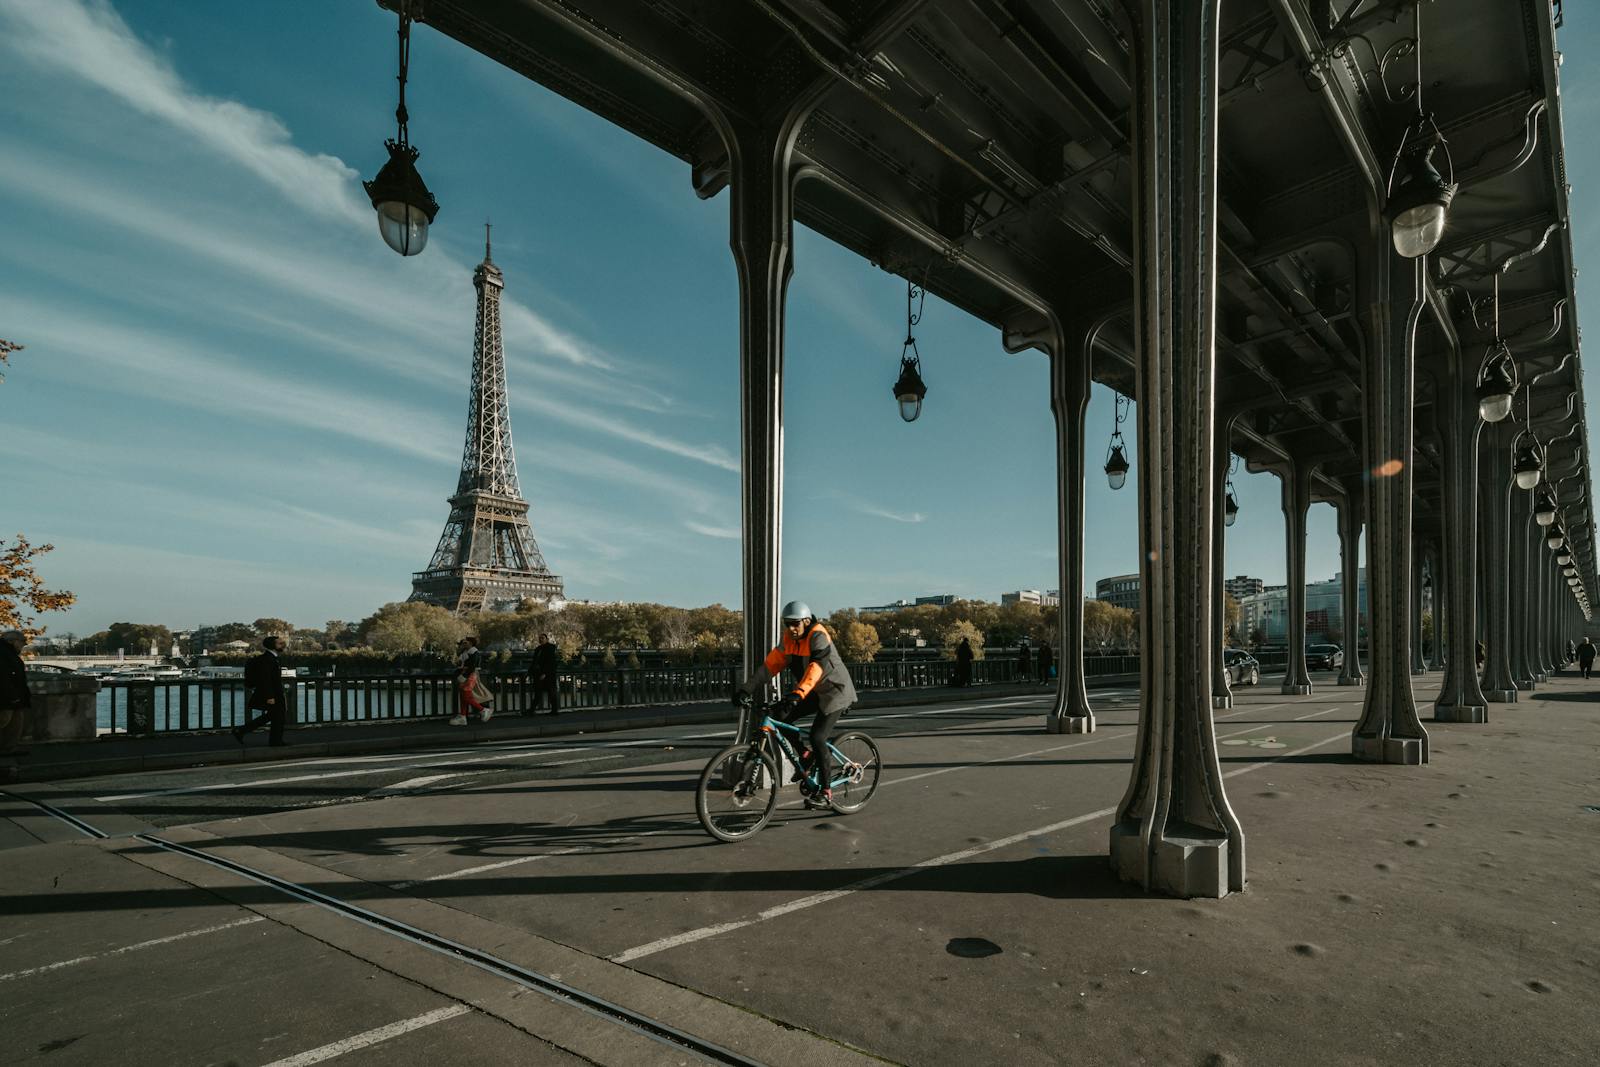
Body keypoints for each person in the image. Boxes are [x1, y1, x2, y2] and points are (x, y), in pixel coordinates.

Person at [735, 601, 857, 809]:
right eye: (786, 624)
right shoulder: (789, 639)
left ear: (806, 621)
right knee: (780, 716)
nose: (791, 628)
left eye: (795, 624)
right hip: (812, 690)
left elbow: (815, 668)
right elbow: (770, 666)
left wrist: (797, 694)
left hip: (835, 690)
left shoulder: (818, 636)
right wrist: (747, 687)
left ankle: (826, 791)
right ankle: (805, 755)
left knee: (818, 736)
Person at [234, 635, 290, 746]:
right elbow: (266, 679)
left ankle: (242, 731)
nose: (282, 645)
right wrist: (270, 696)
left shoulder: (269, 658)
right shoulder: (269, 659)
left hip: (274, 693)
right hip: (273, 694)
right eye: (279, 643)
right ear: (272, 646)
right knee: (278, 716)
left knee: (274, 715)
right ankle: (275, 741)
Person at [1, 630, 31, 769]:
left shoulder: (9, 654)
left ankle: (8, 749)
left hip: (14, 697)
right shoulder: (5, 654)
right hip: (8, 698)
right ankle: (7, 749)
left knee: (14, 724)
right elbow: (5, 678)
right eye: (21, 643)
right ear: (12, 641)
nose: (22, 647)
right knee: (6, 722)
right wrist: (13, 696)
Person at [450, 635, 492, 725]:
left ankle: (483, 710)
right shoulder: (465, 652)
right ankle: (463, 716)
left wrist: (463, 676)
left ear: (471, 643)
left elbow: (472, 667)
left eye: (465, 643)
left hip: (470, 675)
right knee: (463, 694)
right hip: (466, 674)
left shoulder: (474, 653)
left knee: (465, 693)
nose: (463, 644)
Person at [529, 632, 560, 714]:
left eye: (542, 638)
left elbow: (551, 662)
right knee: (538, 693)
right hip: (539, 674)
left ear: (547, 639)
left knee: (550, 693)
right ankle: (532, 710)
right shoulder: (538, 649)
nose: (541, 639)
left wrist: (545, 673)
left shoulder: (550, 648)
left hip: (547, 674)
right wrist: (530, 672)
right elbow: (534, 662)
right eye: (540, 638)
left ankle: (554, 710)